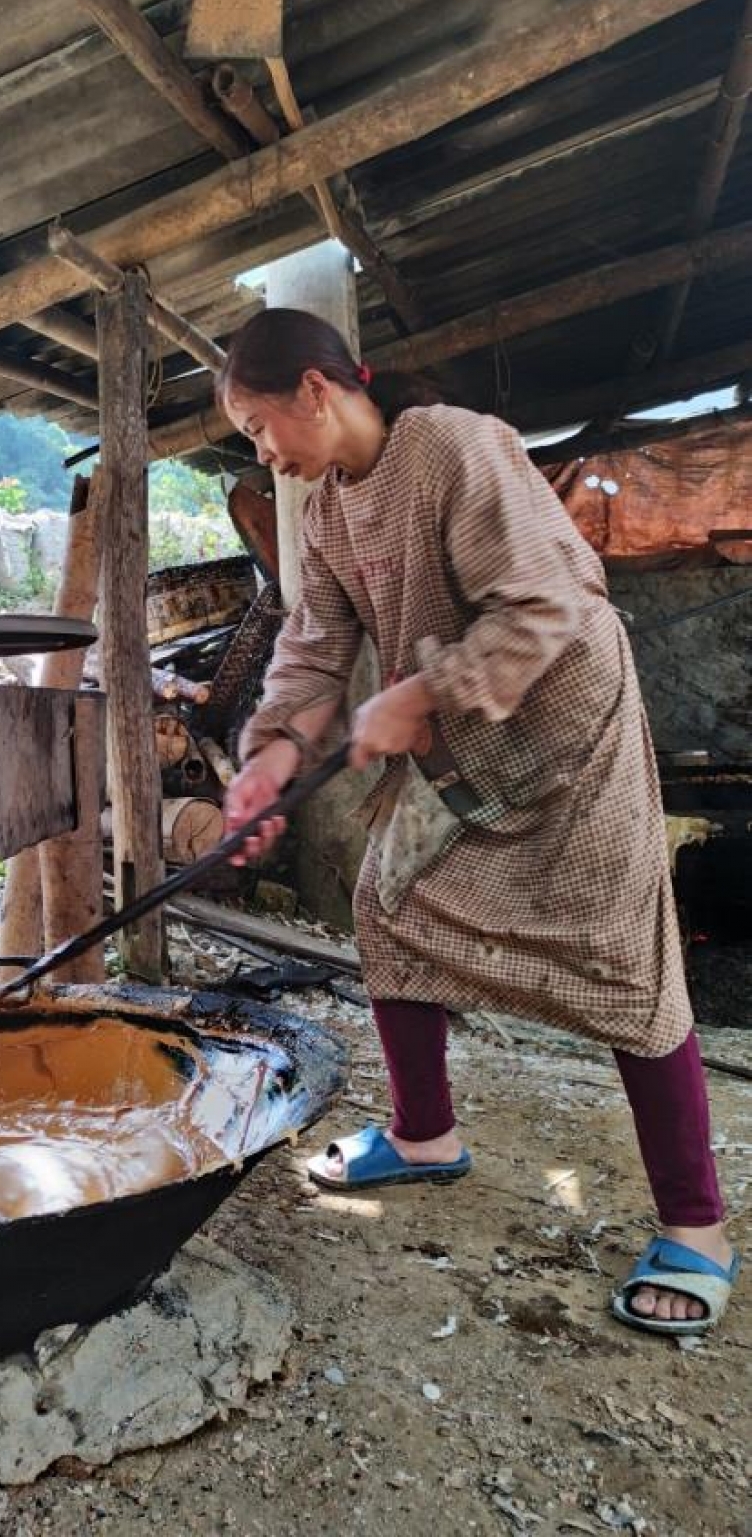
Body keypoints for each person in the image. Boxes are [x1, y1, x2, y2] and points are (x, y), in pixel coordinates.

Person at [219, 306, 738, 1337]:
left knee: (625, 962)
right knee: (389, 900)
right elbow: (315, 644)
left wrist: (419, 694)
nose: (263, 450)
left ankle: (699, 1224)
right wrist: (273, 748)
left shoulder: (457, 446)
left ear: (316, 390)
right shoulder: (322, 512)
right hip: (461, 741)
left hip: (569, 732)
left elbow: (545, 601)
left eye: (258, 425)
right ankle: (424, 1137)